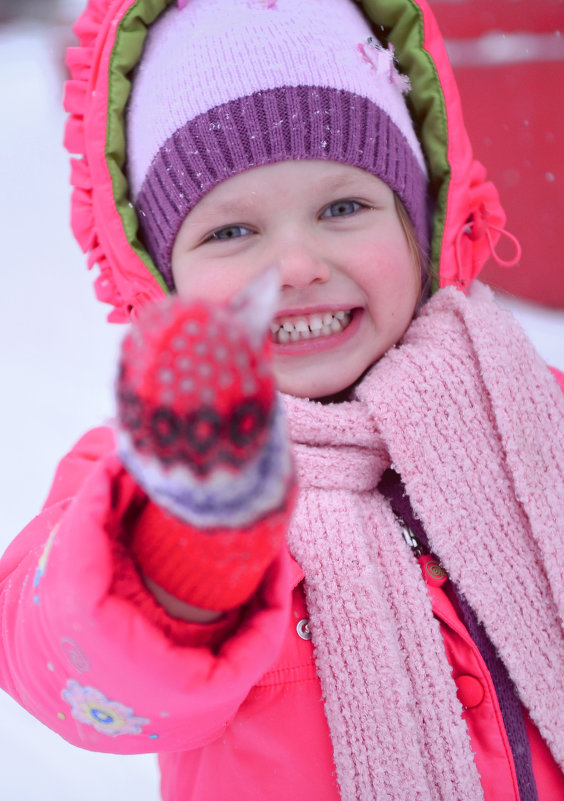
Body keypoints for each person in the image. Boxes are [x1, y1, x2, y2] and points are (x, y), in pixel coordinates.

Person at [1, 0, 563, 799]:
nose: (297, 265)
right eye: (232, 232)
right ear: (165, 281)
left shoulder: (524, 411)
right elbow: (62, 659)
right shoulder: (154, 478)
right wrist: (180, 562)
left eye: (343, 208)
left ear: (421, 224)